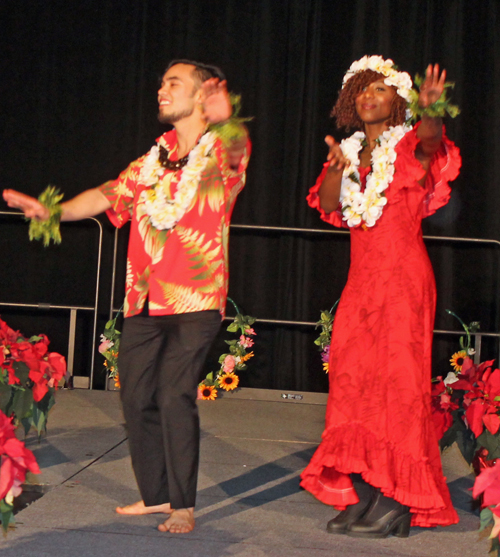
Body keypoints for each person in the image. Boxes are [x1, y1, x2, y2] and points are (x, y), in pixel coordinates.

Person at [3, 60, 251, 534]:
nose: (161, 90)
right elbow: (103, 194)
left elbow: (238, 152)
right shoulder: (149, 162)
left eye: (173, 84)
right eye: (161, 82)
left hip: (196, 298)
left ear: (201, 96)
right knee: (136, 397)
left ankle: (184, 504)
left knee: (174, 392)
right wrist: (52, 210)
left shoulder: (220, 151)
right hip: (143, 299)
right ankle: (156, 496)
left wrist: (225, 121)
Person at [300, 56, 461, 538]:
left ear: (398, 102)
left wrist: (432, 111)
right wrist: (334, 169)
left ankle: (396, 500)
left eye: (380, 91)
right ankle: (367, 491)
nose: (369, 97)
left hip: (403, 280)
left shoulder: (409, 145)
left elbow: (433, 143)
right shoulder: (350, 152)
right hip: (362, 282)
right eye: (361, 91)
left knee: (397, 388)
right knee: (353, 383)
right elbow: (328, 205)